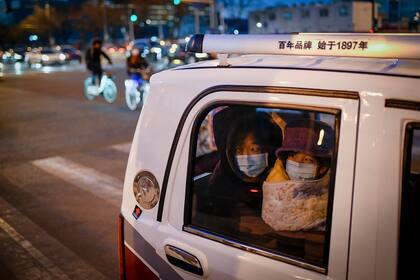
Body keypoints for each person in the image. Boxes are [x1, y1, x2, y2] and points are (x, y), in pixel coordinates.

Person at [203, 107, 283, 223]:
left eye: (254, 149)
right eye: (238, 150)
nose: (246, 157)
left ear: (269, 149)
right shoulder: (221, 183)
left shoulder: (280, 182)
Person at [262, 119, 334, 232]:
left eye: (308, 159)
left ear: (322, 168)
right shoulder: (274, 185)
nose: (298, 163)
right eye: (292, 155)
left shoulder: (332, 199)